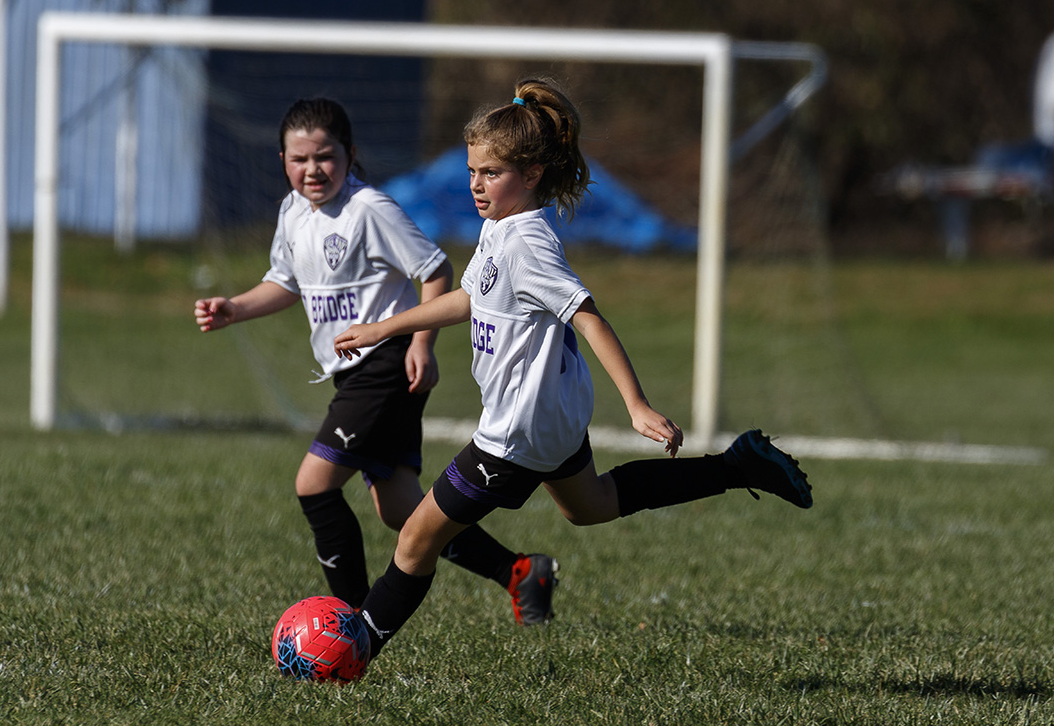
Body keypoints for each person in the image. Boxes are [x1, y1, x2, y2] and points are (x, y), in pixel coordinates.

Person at [333, 78, 814, 664]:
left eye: (490, 173)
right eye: (472, 171)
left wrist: (636, 405)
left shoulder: (529, 242)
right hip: (551, 415)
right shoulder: (499, 228)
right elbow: (470, 297)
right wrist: (388, 328)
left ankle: (354, 650)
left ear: (531, 173)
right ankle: (737, 466)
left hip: (517, 432)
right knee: (591, 506)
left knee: (416, 538)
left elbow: (589, 319)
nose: (475, 185)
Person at [194, 98, 558, 625]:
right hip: (353, 375)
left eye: (325, 156)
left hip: (386, 365)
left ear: (349, 154)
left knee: (314, 485)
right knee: (401, 510)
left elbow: (435, 269)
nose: (312, 169)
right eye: (299, 160)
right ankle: (521, 572)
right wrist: (235, 308)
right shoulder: (293, 213)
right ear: (282, 161)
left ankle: (351, 623)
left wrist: (421, 345)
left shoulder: (370, 209)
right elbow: (284, 282)